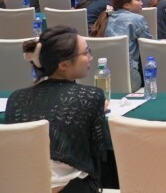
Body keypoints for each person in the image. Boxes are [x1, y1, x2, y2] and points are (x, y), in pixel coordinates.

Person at [5, 26, 106, 192]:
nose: (91, 57)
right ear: (64, 64)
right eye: (86, 52)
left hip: (22, 186)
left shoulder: (16, 98)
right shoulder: (91, 96)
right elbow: (99, 151)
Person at [90, 0, 151, 88]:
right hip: (130, 78)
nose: (142, 3)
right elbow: (148, 47)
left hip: (102, 76)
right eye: (138, 0)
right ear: (126, 5)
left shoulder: (106, 17)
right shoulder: (137, 19)